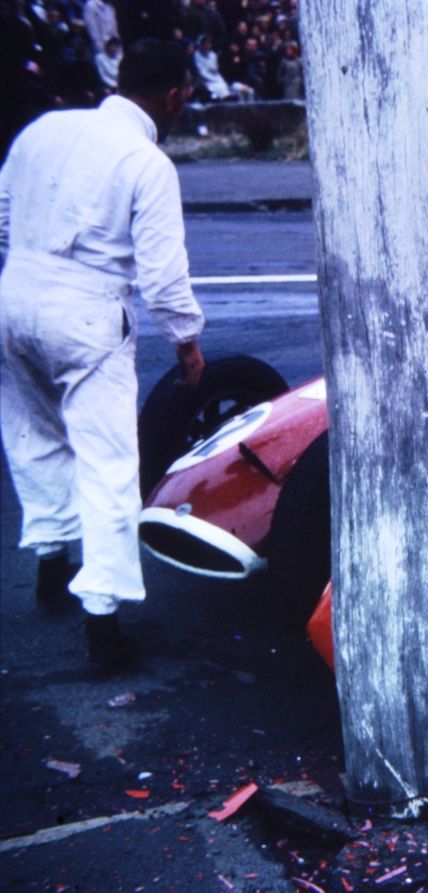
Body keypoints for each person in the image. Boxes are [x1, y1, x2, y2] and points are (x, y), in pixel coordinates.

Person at [0, 39, 206, 668]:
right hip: (87, 314)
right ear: (173, 95)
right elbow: (164, 275)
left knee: (35, 435)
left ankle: (51, 558)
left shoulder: (45, 129)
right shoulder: (145, 161)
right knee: (109, 463)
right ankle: (103, 620)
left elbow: (2, 218)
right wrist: (187, 344)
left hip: (14, 295)